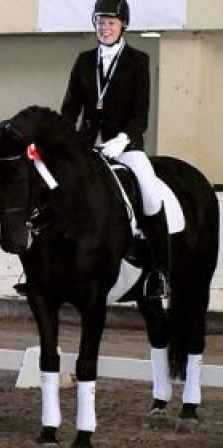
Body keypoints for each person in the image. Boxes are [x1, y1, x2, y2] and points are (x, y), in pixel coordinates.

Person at [61, 0, 168, 300]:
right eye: (99, 21)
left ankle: (158, 272)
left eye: (110, 22)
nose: (104, 27)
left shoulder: (138, 60)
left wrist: (122, 139)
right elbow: (70, 109)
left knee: (149, 194)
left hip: (125, 147)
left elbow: (140, 115)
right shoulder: (83, 61)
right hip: (87, 147)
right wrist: (62, 139)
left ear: (123, 25)